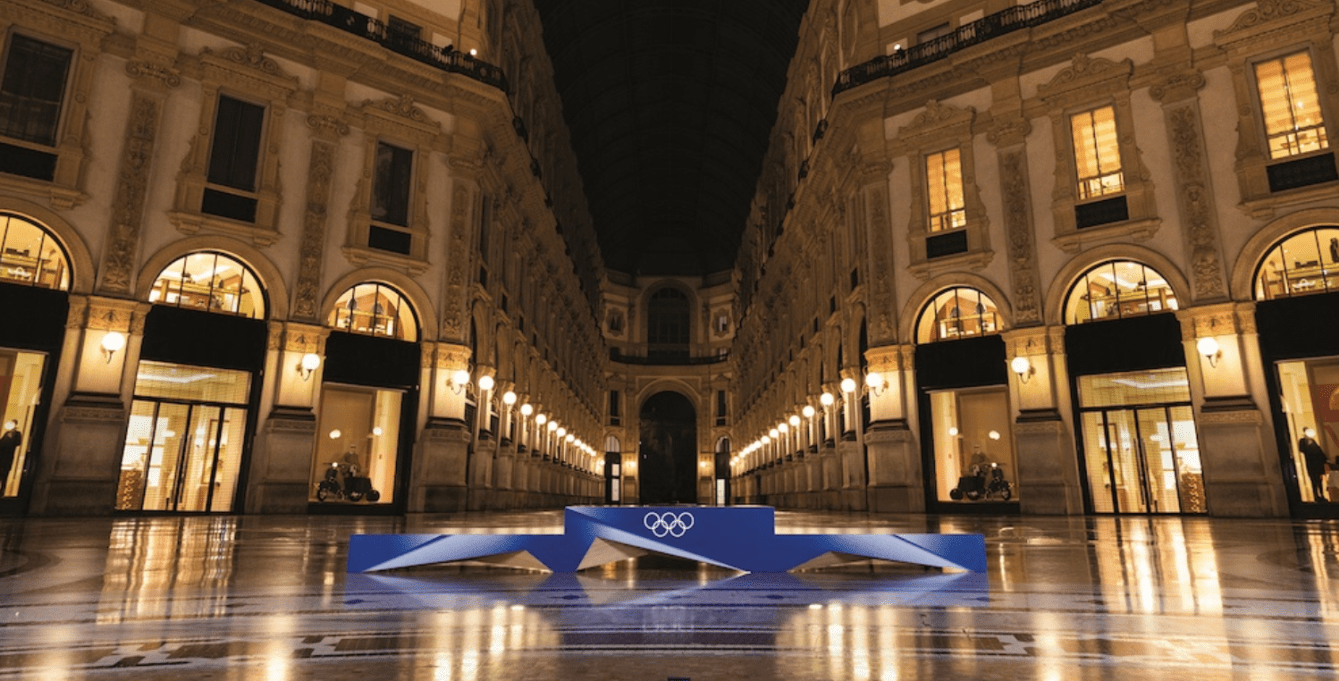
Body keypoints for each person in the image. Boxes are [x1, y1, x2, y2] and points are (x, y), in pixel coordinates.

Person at [1299, 427, 1331, 502]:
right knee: (1313, 480)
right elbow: (1302, 449)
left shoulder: (1313, 440)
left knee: (1319, 480)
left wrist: (1325, 459)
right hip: (1311, 463)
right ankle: (1316, 495)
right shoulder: (1303, 441)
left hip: (1317, 463)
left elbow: (1319, 451)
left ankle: (1321, 495)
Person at [0, 423, 22, 493]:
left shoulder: (17, 434)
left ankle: (2, 489)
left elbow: (18, 442)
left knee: (5, 473)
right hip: (2, 455)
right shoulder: (7, 433)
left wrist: (11, 437)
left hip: (8, 456)